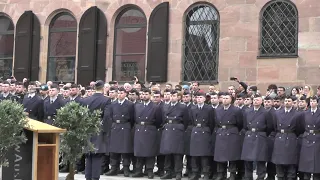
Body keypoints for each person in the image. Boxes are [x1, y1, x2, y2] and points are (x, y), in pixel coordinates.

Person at [81, 80, 111, 180]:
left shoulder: (86, 100)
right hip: (99, 129)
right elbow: (106, 117)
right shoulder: (106, 100)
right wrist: (106, 130)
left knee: (88, 155)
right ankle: (94, 177)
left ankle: (88, 176)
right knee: (97, 155)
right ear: (103, 88)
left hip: (87, 128)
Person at [241, 94, 274, 180]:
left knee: (260, 159)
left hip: (260, 136)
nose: (256, 101)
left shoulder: (266, 112)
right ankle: (248, 176)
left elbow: (269, 127)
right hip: (249, 135)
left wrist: (262, 134)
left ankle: (261, 176)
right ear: (252, 101)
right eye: (254, 100)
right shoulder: (247, 111)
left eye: (258, 100)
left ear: (261, 101)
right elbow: (244, 125)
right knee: (247, 159)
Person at [132, 88, 162, 179]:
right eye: (142, 94)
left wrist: (151, 127)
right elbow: (134, 118)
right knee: (139, 151)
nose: (144, 96)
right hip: (139, 129)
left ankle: (149, 170)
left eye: (146, 94)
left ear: (150, 95)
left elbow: (159, 120)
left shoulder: (155, 107)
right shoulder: (137, 106)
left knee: (150, 152)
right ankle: (139, 170)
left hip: (150, 129)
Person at [272, 96, 304, 180]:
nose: (287, 102)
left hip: (291, 138)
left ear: (293, 103)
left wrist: (291, 134)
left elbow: (300, 128)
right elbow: (274, 126)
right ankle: (280, 177)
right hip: (279, 138)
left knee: (291, 162)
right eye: (286, 101)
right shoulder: (277, 113)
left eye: (289, 101)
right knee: (279, 162)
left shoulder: (298, 114)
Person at [159, 90, 189, 180]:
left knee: (177, 153)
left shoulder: (183, 107)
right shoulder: (165, 106)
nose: (172, 97)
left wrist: (181, 127)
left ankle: (178, 172)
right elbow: (162, 119)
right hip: (168, 129)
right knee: (167, 152)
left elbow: (186, 121)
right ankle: (168, 171)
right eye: (171, 96)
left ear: (178, 97)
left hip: (177, 130)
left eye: (174, 95)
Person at [105, 87, 134, 177]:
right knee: (114, 150)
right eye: (119, 93)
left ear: (125, 94)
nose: (120, 95)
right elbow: (109, 116)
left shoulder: (130, 104)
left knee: (125, 150)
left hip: (125, 126)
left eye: (122, 93)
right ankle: (114, 168)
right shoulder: (113, 104)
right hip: (115, 127)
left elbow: (132, 118)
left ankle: (126, 168)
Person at [214, 93, 243, 180]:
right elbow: (216, 122)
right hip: (221, 132)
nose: (225, 100)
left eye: (227, 98)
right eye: (223, 98)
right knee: (220, 155)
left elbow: (240, 123)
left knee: (232, 155)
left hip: (232, 133)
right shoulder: (218, 109)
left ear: (231, 100)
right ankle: (221, 174)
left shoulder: (236, 110)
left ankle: (232, 173)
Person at [188, 92, 215, 180]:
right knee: (194, 154)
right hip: (196, 131)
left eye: (200, 97)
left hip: (205, 131)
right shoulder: (193, 108)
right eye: (197, 97)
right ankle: (195, 172)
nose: (199, 99)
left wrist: (207, 130)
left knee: (204, 154)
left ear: (204, 99)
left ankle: (206, 172)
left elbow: (211, 123)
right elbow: (191, 121)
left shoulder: (209, 109)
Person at [299, 96, 320, 180]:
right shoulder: (305, 113)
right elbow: (300, 126)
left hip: (317, 138)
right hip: (307, 138)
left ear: (317, 103)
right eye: (311, 101)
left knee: (316, 163)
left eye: (314, 101)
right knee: (306, 163)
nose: (312, 103)